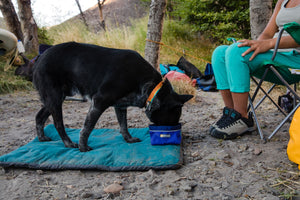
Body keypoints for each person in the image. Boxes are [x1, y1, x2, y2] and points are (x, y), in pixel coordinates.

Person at [210, 0, 300, 140]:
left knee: (235, 52)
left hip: (294, 61)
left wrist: (269, 43)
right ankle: (231, 114)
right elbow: (267, 33)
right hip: (274, 55)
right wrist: (256, 44)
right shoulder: (283, 1)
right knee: (220, 53)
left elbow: (272, 40)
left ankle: (242, 118)